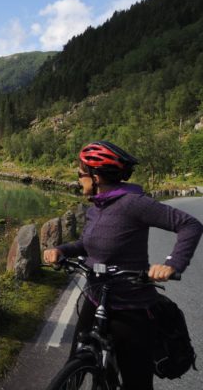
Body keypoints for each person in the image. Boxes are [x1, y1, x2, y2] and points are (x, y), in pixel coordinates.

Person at [43, 140, 203, 390]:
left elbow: (190, 225)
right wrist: (60, 250)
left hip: (132, 308)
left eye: (80, 174)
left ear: (97, 176)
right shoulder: (97, 208)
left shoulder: (133, 203)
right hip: (96, 299)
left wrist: (172, 264)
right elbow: (86, 244)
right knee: (74, 364)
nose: (78, 179)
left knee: (136, 383)